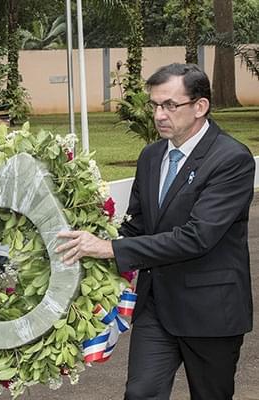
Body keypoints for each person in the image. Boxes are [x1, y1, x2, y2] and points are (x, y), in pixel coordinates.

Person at [56, 63, 254, 400]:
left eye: (170, 105)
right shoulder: (151, 156)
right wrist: (86, 235)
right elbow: (139, 224)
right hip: (156, 307)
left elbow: (198, 236)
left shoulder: (231, 159)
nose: (159, 115)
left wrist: (110, 250)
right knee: (140, 392)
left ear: (200, 106)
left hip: (210, 311)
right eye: (155, 105)